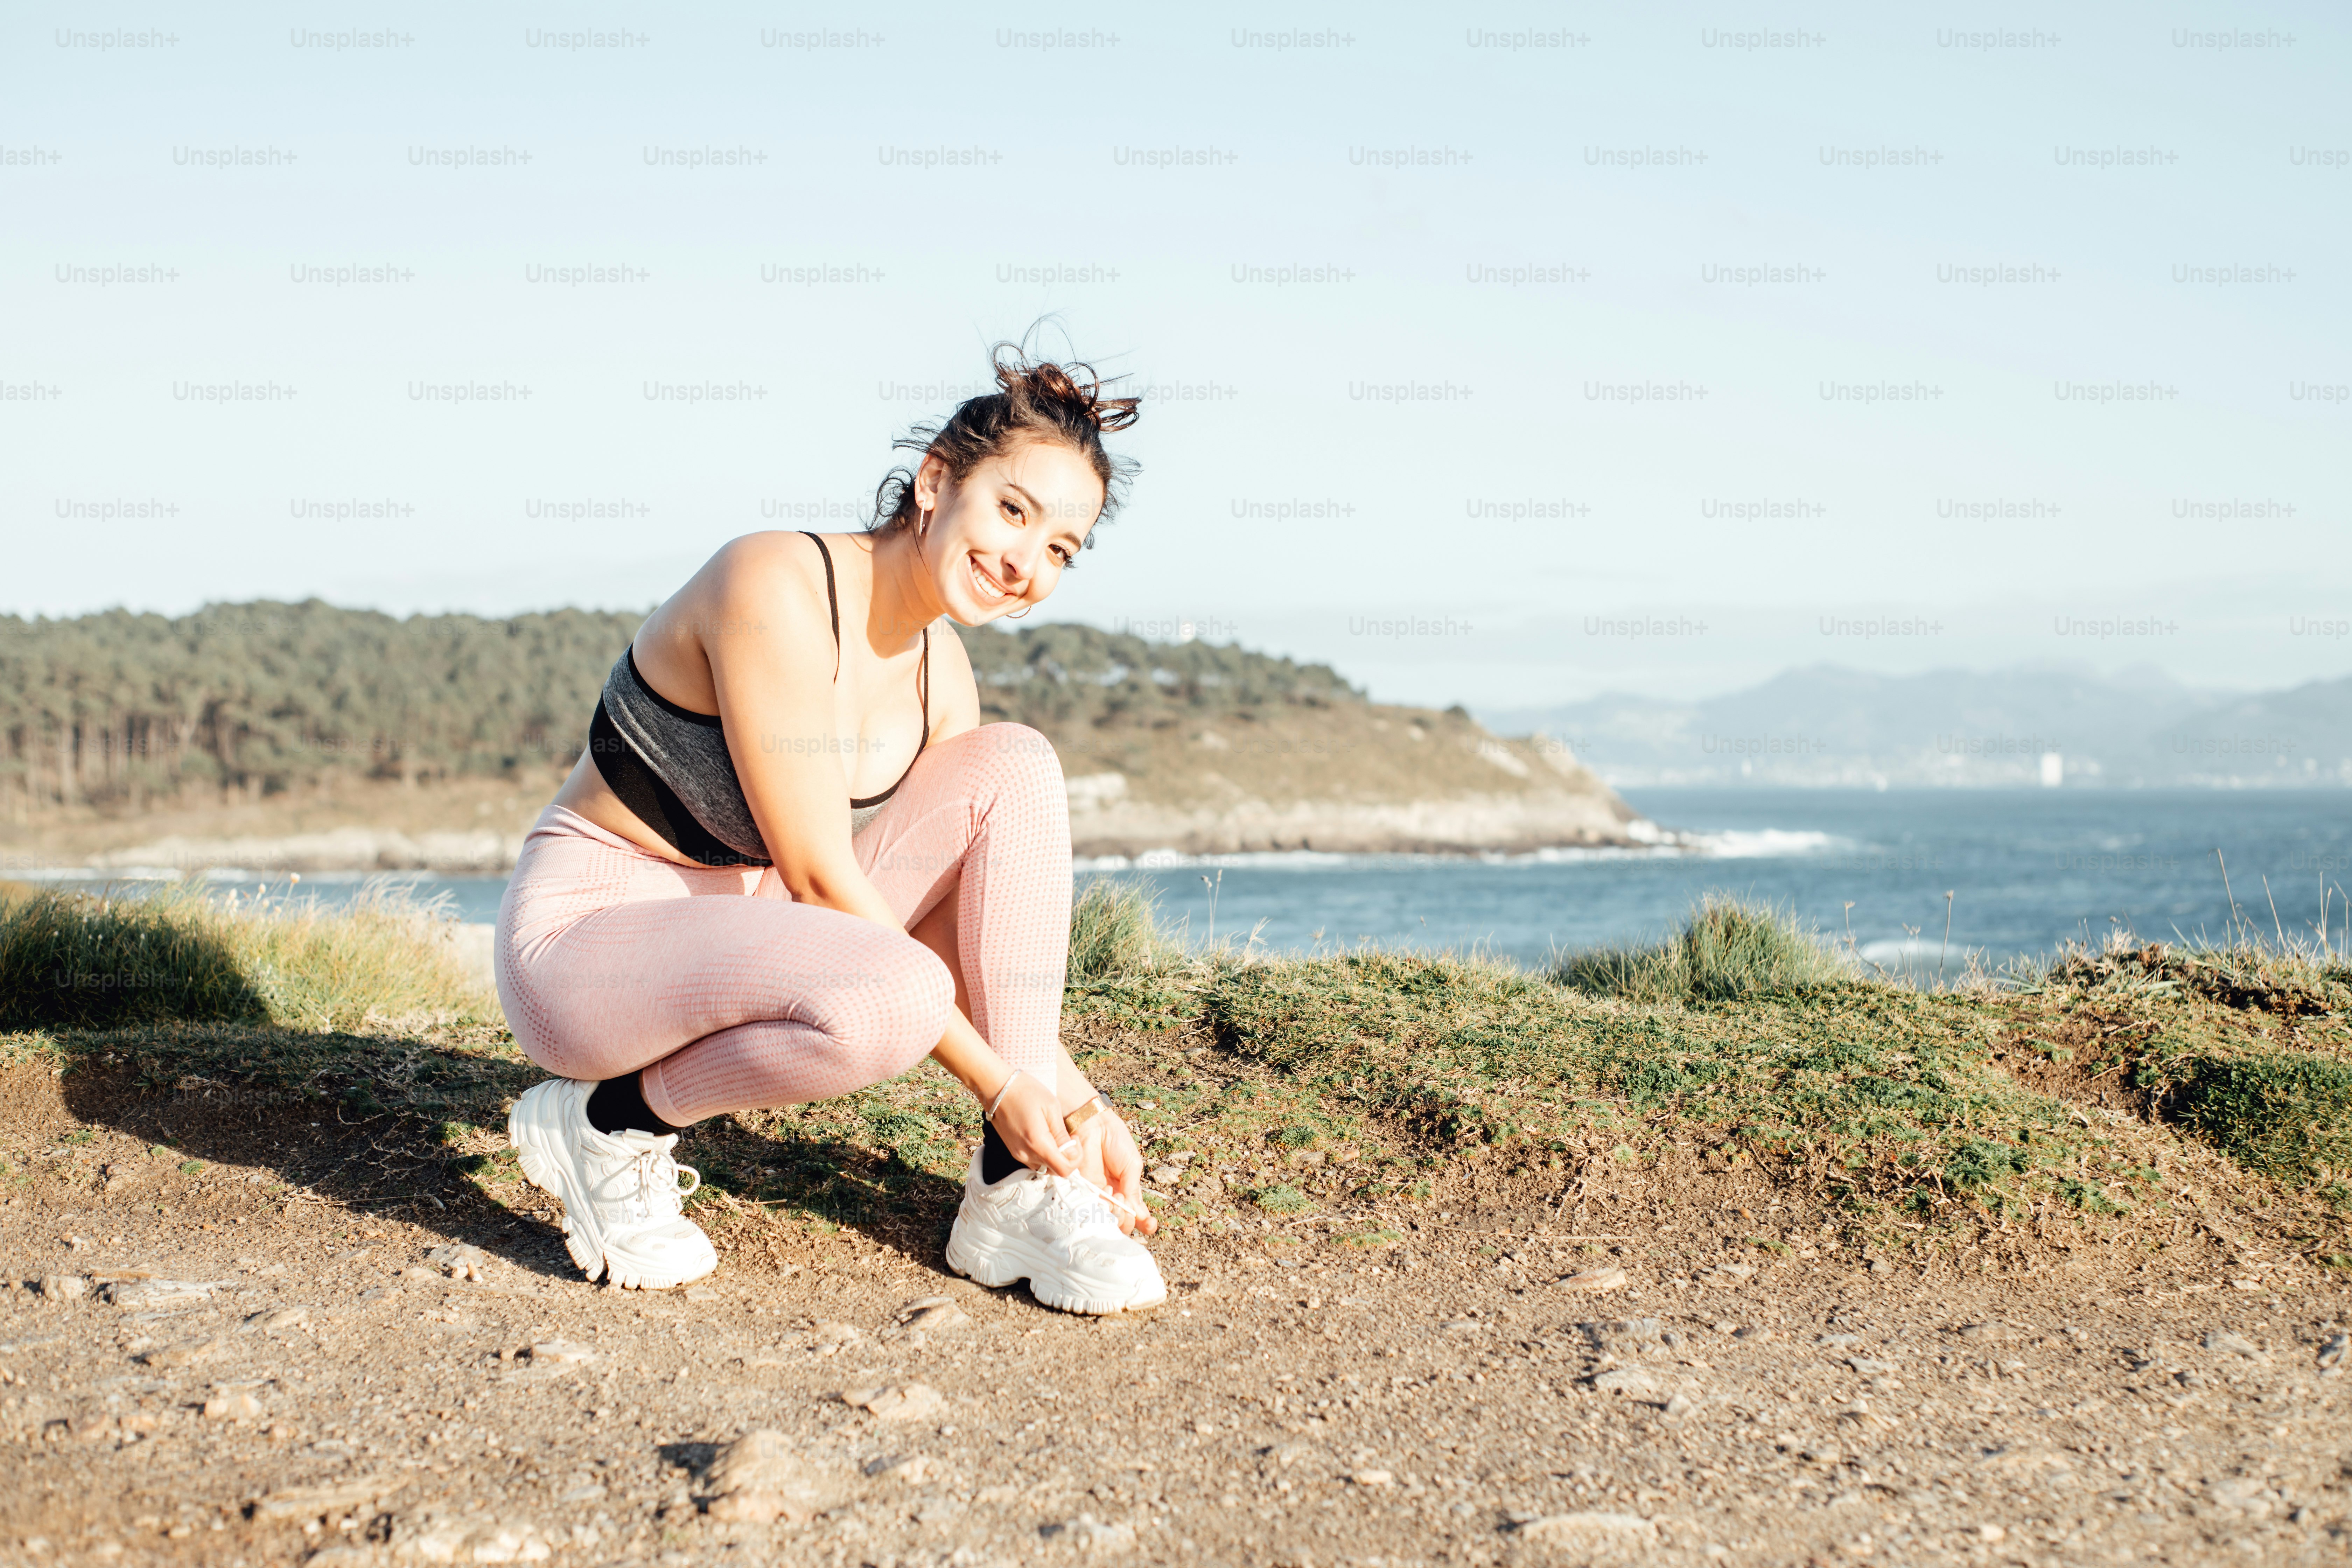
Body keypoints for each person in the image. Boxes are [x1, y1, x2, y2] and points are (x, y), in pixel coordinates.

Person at [493, 343, 1163, 1314]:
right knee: (890, 1000)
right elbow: (817, 876)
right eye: (1013, 512)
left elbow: (951, 930)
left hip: (745, 936)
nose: (1025, 563)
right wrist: (1002, 1088)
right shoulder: (775, 583)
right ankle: (606, 1125)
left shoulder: (945, 677)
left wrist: (1072, 1106)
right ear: (938, 480)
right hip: (585, 949)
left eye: (1061, 548)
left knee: (1015, 765)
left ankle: (1020, 1184)